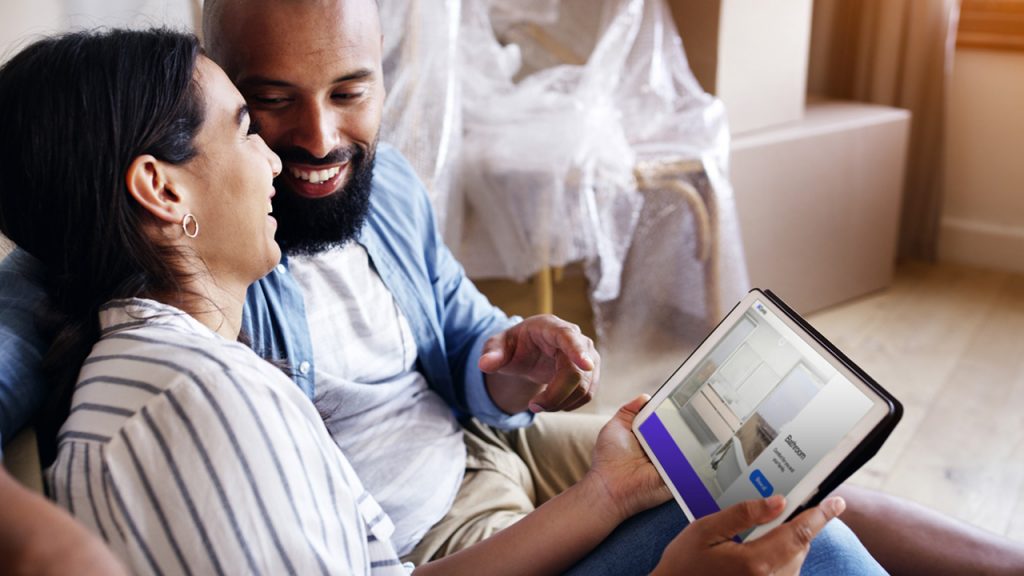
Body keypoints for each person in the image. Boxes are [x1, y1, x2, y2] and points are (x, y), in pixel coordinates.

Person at [0, 27, 868, 575]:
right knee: (793, 540)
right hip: (446, 523)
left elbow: (459, 325)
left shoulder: (219, 352)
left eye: (351, 91)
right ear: (159, 189)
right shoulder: (204, 395)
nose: (289, 151)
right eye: (251, 119)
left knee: (773, 478)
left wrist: (514, 364)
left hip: (478, 450)